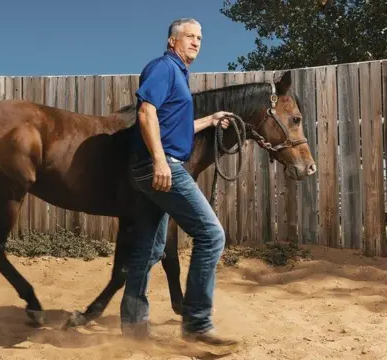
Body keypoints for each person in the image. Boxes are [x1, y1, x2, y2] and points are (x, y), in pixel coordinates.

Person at [120, 18, 239, 349]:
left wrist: (211, 120)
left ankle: (133, 325)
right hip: (161, 167)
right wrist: (160, 160)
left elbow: (176, 124)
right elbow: (146, 113)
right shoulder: (163, 68)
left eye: (200, 37)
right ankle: (197, 324)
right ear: (172, 41)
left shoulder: (179, 75)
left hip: (151, 168)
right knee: (211, 235)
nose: (197, 42)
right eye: (190, 36)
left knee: (150, 247)